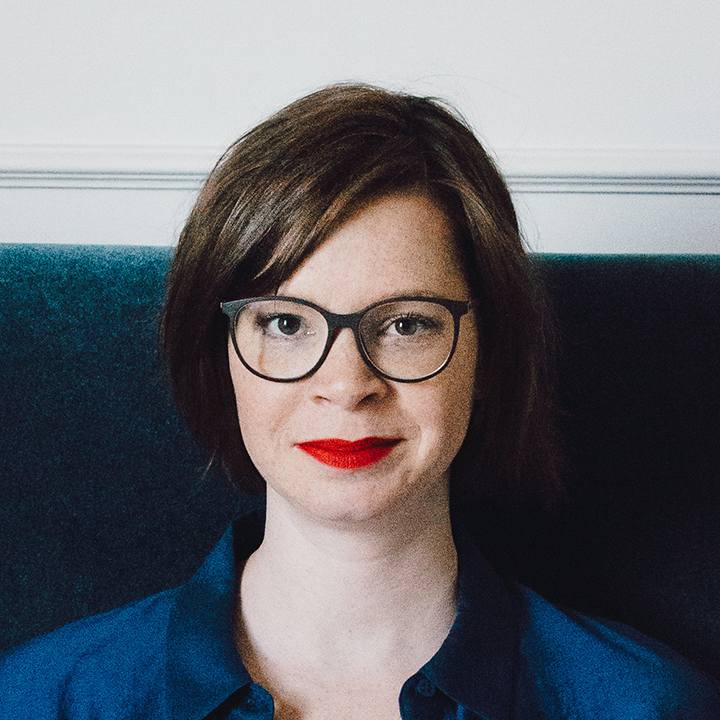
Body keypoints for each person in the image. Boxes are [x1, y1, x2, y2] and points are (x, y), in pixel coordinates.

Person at [1, 84, 718, 719]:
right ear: (220, 359)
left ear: (491, 356)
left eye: (406, 325)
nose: (346, 386)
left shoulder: (648, 706)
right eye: (285, 325)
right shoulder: (42, 701)